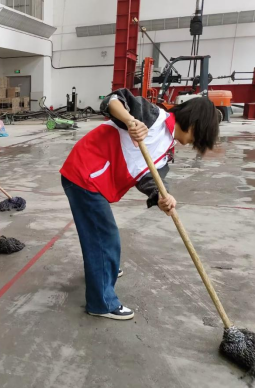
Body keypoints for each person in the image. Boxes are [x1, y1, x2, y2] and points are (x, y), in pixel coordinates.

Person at [60, 89, 219, 321]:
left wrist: (162, 197)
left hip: (97, 180)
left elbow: (150, 179)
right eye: (199, 136)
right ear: (193, 124)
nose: (195, 143)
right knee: (104, 237)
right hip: (84, 173)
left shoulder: (166, 152)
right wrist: (130, 120)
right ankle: (101, 303)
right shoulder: (152, 116)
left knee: (101, 236)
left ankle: (103, 269)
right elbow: (112, 100)